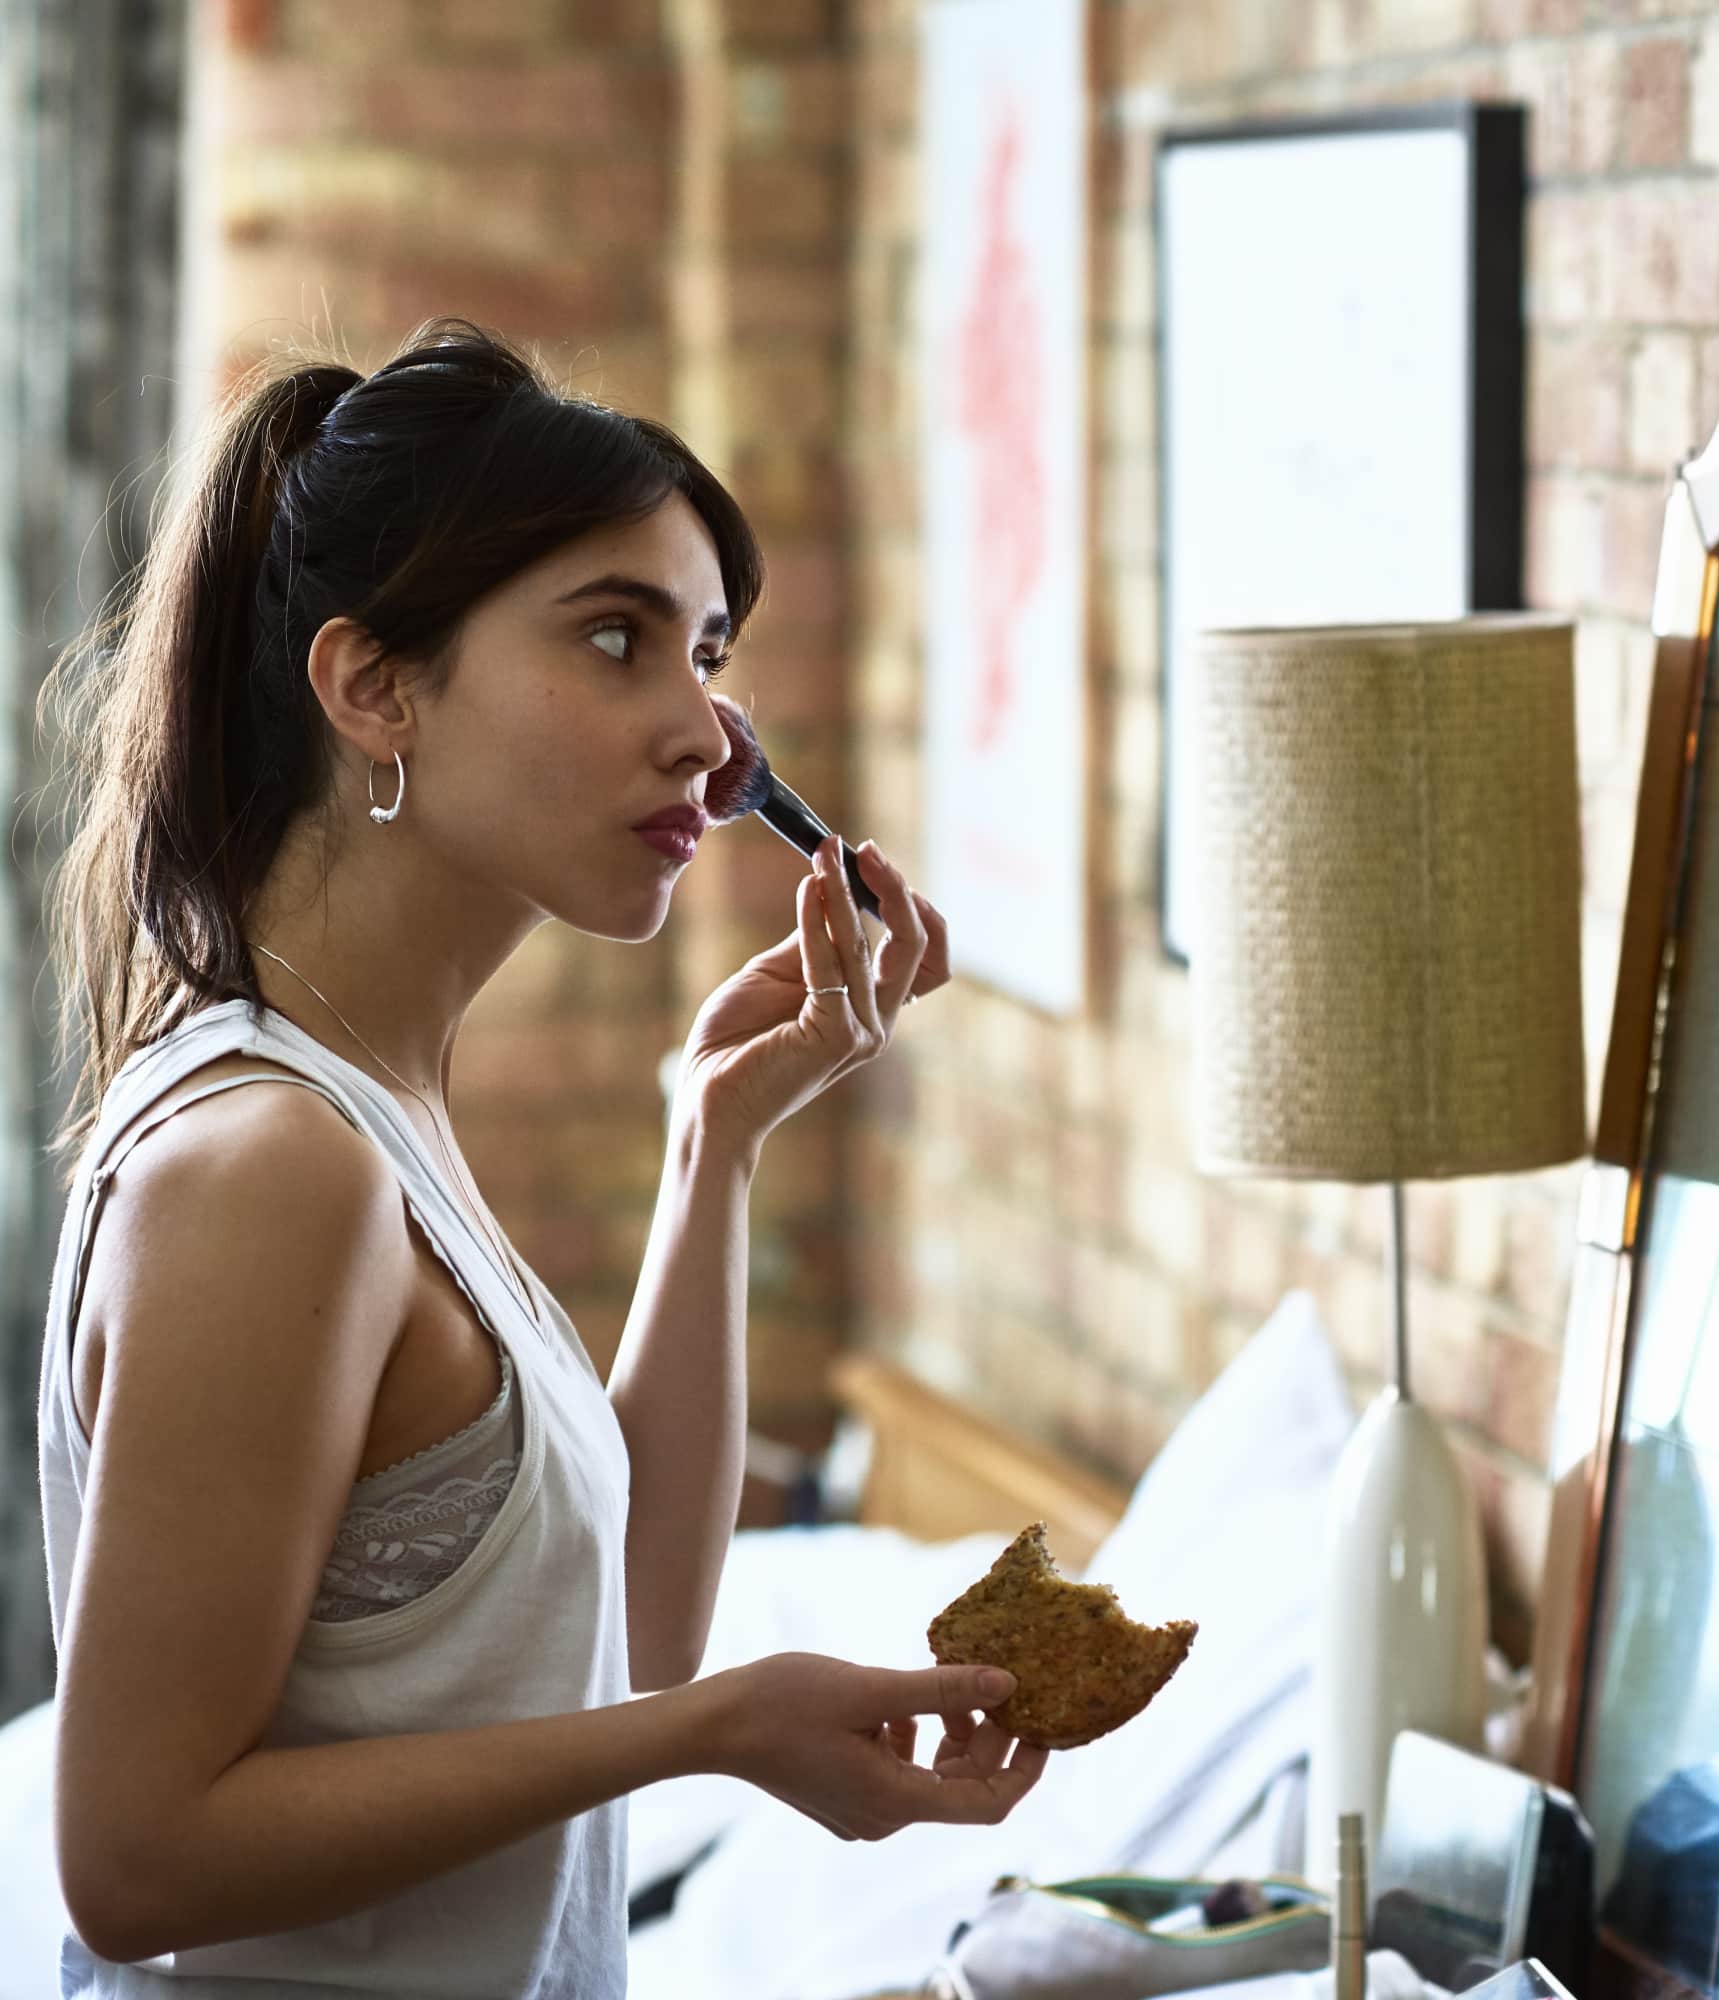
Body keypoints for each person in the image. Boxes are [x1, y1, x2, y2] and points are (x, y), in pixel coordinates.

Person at [33, 317, 1044, 1995]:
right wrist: (709, 1735)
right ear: (374, 687)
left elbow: (623, 1638)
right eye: (615, 638)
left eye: (706, 653)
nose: (708, 736)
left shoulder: (375, 1110)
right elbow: (137, 1862)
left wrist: (718, 1139)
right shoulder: (274, 1163)